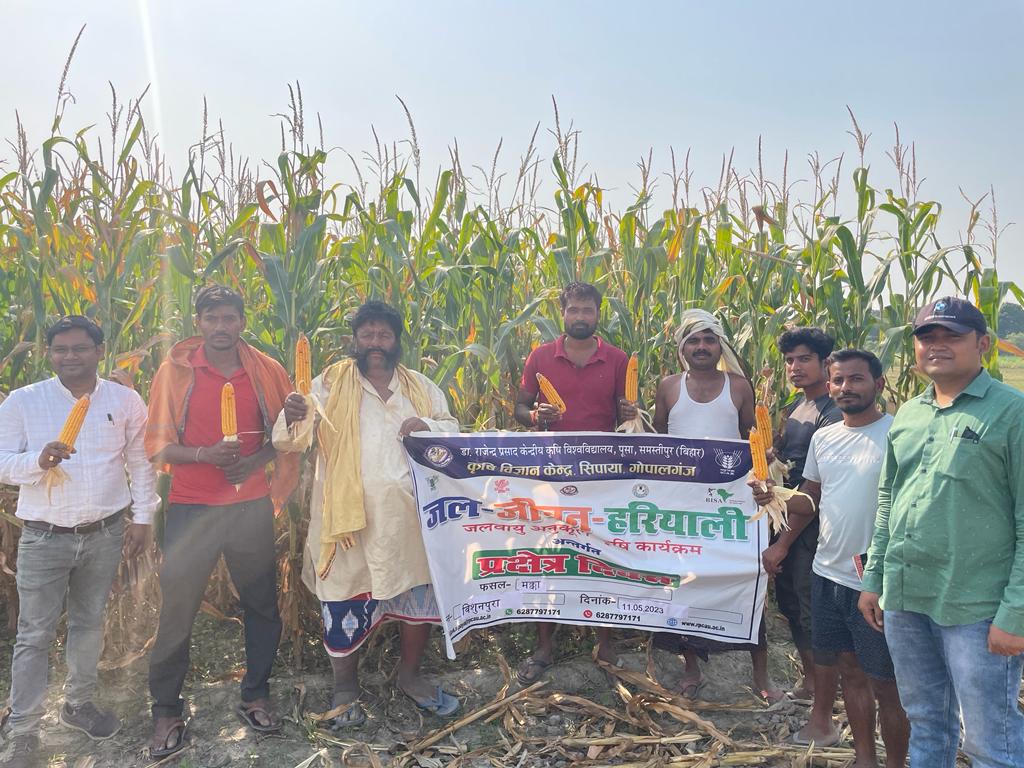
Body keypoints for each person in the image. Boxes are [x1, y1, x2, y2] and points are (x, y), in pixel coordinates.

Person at [273, 301, 461, 728]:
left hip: (409, 523)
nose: (376, 343)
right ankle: (345, 689)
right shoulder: (328, 384)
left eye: (384, 335)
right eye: (367, 334)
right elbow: (291, 441)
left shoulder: (421, 387)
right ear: (354, 340)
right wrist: (292, 415)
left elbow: (452, 429)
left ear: (397, 341)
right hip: (347, 526)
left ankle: (409, 677)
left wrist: (429, 427)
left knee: (417, 595)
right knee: (344, 596)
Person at [859, 297, 1024, 768]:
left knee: (991, 739)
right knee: (927, 721)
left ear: (983, 344)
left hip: (977, 606)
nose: (937, 345)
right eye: (927, 336)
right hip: (907, 599)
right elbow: (890, 500)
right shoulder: (910, 414)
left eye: (952, 335)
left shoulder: (1012, 413)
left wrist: (1016, 613)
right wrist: (875, 579)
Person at [144, 285, 298, 759]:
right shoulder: (175, 372)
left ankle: (256, 694)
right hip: (192, 508)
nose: (220, 327)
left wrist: (254, 461)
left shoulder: (265, 370)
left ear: (242, 323)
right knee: (178, 609)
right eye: (211, 318)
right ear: (198, 323)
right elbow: (157, 445)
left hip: (250, 506)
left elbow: (288, 435)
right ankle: (166, 709)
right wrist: (204, 455)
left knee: (262, 605)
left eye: (229, 318)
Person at [0, 316, 159, 768]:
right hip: (44, 535)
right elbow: (1, 460)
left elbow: (140, 461)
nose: (70, 357)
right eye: (61, 349)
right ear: (49, 354)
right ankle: (23, 728)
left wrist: (143, 517)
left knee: (89, 622)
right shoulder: (24, 401)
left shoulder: (124, 400)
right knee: (34, 633)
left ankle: (78, 704)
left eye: (80, 348)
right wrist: (38, 460)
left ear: (100, 351)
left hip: (104, 533)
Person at [756, 349, 908, 766]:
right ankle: (864, 759)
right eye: (838, 380)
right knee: (851, 674)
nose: (845, 388)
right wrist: (776, 498)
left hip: (874, 580)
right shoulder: (825, 438)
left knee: (887, 685)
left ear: (878, 384)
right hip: (828, 572)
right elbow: (811, 498)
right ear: (830, 385)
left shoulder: (897, 435)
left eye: (856, 379)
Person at [651, 308, 782, 703]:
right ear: (683, 348)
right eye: (694, 340)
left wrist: (766, 462)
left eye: (709, 339)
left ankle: (761, 675)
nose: (702, 346)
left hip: (732, 507)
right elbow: (657, 441)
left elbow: (752, 440)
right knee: (687, 586)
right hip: (682, 508)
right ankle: (692, 668)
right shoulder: (668, 387)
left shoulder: (738, 387)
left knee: (747, 582)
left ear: (720, 345)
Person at [512, 282, 633, 684]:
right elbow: (520, 406)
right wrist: (535, 416)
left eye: (588, 310)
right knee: (547, 552)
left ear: (598, 314)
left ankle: (606, 641)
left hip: (602, 472)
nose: (580, 317)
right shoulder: (541, 357)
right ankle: (545, 646)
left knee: (605, 551)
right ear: (562, 314)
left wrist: (631, 412)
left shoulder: (617, 359)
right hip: (551, 469)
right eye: (574, 310)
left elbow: (625, 414)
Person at [772, 327, 841, 699]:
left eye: (804, 359)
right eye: (789, 361)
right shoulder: (796, 407)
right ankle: (810, 679)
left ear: (825, 363)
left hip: (811, 525)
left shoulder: (833, 412)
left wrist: (783, 544)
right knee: (790, 602)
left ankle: (827, 687)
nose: (795, 367)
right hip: (785, 516)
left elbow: (816, 489)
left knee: (809, 603)